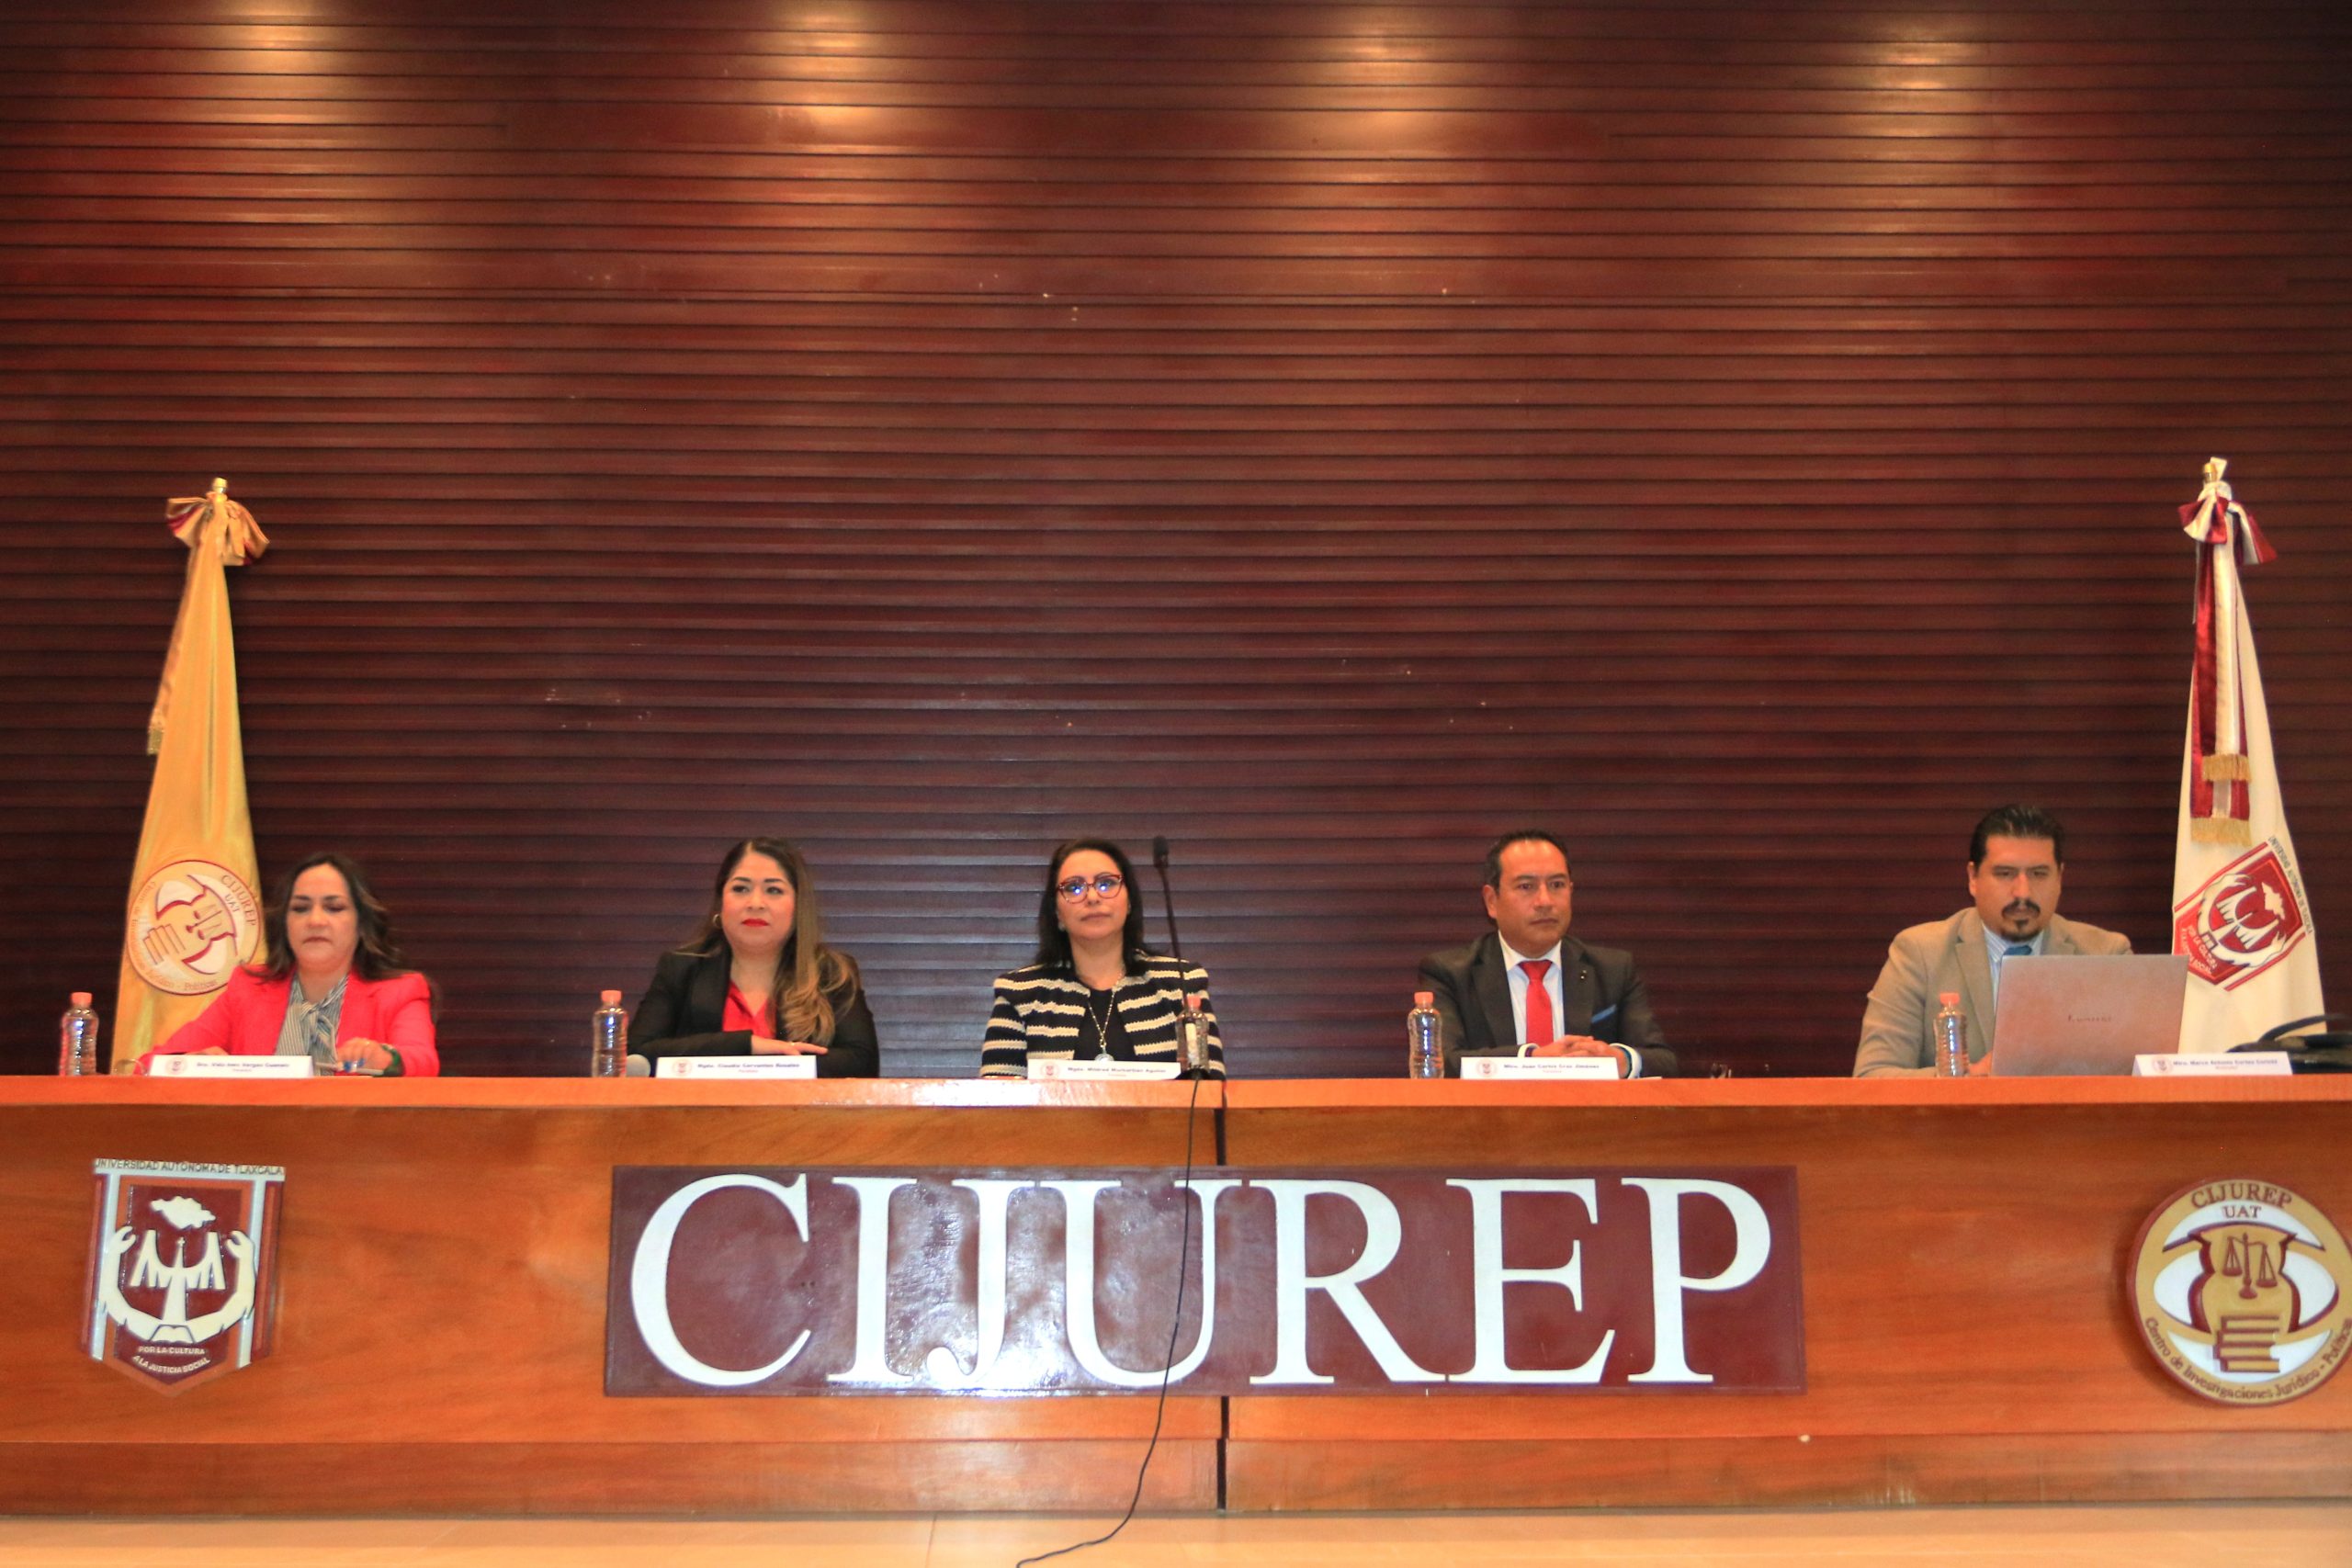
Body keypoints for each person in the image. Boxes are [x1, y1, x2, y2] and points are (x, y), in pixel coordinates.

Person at [1854, 804, 2133, 1077]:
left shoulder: (2106, 955)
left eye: (2039, 874)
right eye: (2005, 874)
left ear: (2059, 878)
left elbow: (2140, 1073)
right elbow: (1872, 1077)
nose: (2022, 892)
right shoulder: (1920, 954)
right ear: (1973, 878)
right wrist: (1967, 1079)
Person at [145, 852, 438, 1076]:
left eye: (334, 908)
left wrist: (384, 1058)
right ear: (285, 924)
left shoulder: (400, 992)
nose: (315, 920)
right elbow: (149, 1065)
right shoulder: (247, 990)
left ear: (362, 924)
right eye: (300, 908)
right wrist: (190, 1064)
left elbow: (422, 1061)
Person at [1417, 829, 1675, 1078]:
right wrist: (1531, 1060)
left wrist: (1623, 1060)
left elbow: (1663, 1062)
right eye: (1526, 886)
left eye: (1557, 885)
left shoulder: (1614, 970)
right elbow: (1439, 1065)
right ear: (1492, 901)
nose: (1545, 901)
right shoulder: (1450, 974)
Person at [628, 837, 878, 1076]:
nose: (756, 903)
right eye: (741, 888)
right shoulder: (681, 969)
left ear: (797, 907)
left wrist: (766, 1065)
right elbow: (636, 1057)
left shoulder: (831, 974)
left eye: (774, 890)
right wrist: (747, 1046)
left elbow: (862, 1063)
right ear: (721, 902)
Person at [982, 838, 1224, 1078]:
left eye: (1106, 883)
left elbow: (1210, 1092)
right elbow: (996, 1097)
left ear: (1129, 902)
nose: (1093, 897)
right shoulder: (1020, 993)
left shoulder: (1181, 985)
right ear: (1057, 913)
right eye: (1074, 888)